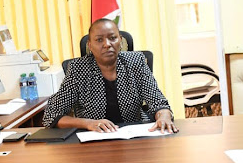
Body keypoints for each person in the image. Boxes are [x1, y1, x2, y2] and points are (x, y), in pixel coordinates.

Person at [42, 18, 177, 133]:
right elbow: (51, 115)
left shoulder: (136, 61)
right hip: (94, 140)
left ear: (120, 40)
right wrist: (88, 123)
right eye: (99, 40)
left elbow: (158, 101)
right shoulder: (78, 69)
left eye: (112, 38)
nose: (107, 44)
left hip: (135, 135)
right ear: (90, 45)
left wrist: (164, 116)